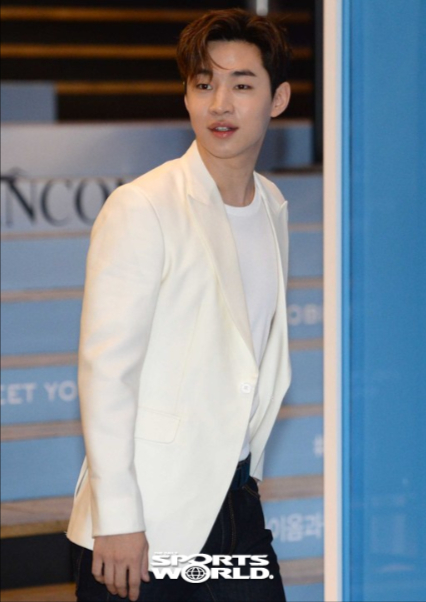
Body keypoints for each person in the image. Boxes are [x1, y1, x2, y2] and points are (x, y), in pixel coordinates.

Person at [67, 8, 292, 602]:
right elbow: (107, 372)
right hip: (148, 517)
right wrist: (118, 518)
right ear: (187, 96)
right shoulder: (143, 206)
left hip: (236, 505)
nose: (220, 103)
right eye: (203, 83)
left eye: (242, 85)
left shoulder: (272, 205)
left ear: (278, 99)